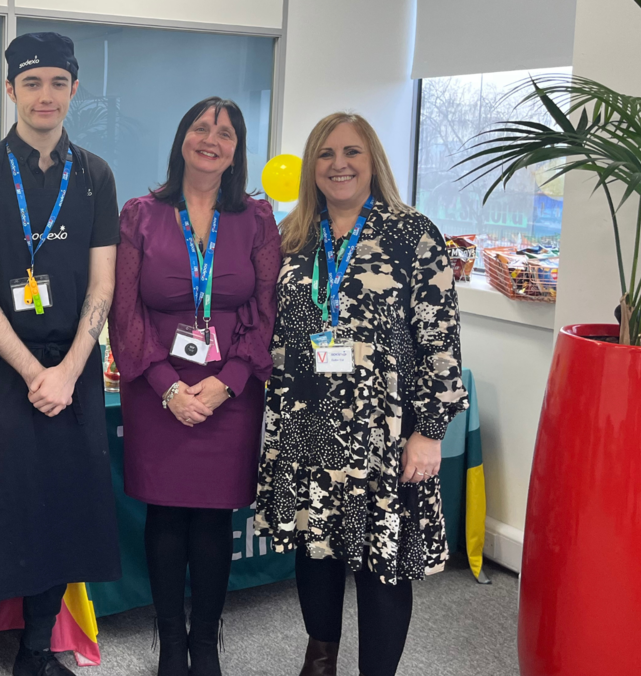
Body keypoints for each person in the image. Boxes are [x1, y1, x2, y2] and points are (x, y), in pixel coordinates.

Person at [255, 112, 469, 676]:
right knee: (316, 550)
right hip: (306, 424)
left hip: (385, 432)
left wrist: (429, 432)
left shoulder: (412, 233)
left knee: (384, 563)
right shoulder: (294, 234)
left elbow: (440, 341)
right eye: (325, 154)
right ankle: (320, 659)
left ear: (373, 159)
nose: (338, 164)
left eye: (351, 152)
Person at [0, 31, 122, 676]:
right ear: (11, 90)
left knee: (62, 516)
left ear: (74, 90)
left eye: (57, 83)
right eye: (31, 83)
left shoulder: (97, 175)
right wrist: (32, 371)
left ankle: (36, 652)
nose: (44, 96)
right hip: (3, 372)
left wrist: (71, 371)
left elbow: (102, 284)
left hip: (72, 370)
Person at [109, 97, 280, 676]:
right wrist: (167, 387)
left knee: (213, 520)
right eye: (202, 128)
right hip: (159, 390)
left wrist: (226, 383)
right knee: (165, 518)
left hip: (230, 394)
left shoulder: (257, 219)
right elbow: (124, 311)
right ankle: (170, 645)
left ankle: (204, 642)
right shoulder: (139, 213)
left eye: (226, 132)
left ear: (237, 150)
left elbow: (266, 308)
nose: (212, 139)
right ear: (182, 137)